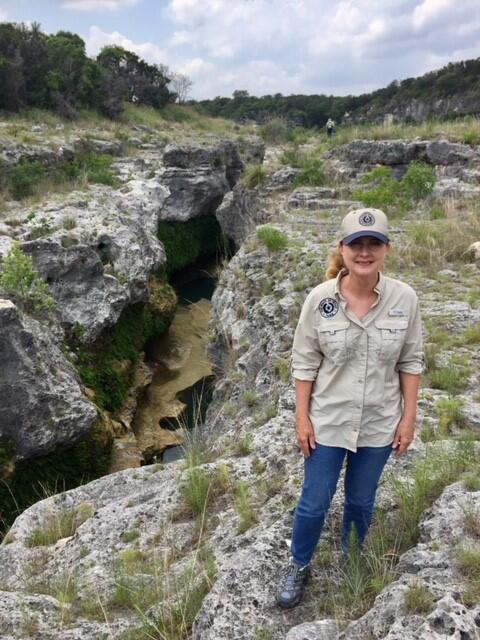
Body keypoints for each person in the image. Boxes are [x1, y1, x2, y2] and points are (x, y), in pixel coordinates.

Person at [276, 207, 423, 609]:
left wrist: (409, 418)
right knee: (314, 500)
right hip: (328, 422)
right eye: (355, 244)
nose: (364, 252)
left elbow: (410, 362)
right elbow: (304, 363)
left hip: (379, 422)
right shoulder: (320, 300)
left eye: (373, 243)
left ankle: (351, 559)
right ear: (341, 249)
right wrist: (301, 418)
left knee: (360, 500)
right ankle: (298, 563)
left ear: (386, 249)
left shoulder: (405, 299)